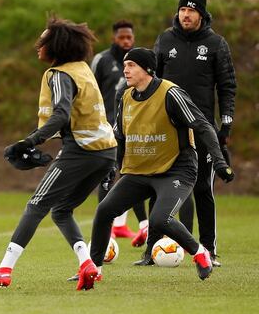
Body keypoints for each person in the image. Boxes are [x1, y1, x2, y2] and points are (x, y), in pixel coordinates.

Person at [0, 18, 117, 290]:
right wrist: (35, 140)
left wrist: (30, 141)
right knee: (61, 211)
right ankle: (88, 264)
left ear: (57, 47)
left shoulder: (59, 74)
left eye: (43, 42)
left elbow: (61, 115)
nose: (37, 46)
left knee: (35, 206)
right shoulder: (82, 69)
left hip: (82, 151)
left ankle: (4, 270)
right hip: (106, 152)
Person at [82, 48, 234, 290]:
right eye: (124, 65)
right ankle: (94, 270)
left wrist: (219, 161)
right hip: (139, 171)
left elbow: (203, 126)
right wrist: (114, 167)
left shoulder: (171, 93)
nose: (125, 69)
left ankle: (200, 252)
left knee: (160, 219)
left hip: (176, 170)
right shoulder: (124, 96)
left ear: (148, 69)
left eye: (131, 65)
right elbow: (119, 136)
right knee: (104, 211)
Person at [142, 0, 237, 267]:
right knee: (158, 186)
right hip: (168, 128)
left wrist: (226, 122)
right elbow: (151, 81)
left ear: (202, 15)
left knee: (201, 189)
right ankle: (152, 249)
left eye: (192, 10)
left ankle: (208, 251)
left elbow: (228, 87)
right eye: (183, 9)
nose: (186, 14)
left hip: (202, 128)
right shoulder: (165, 40)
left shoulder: (216, 44)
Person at [90, 20, 147, 241]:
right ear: (114, 38)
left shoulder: (138, 62)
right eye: (122, 37)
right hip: (106, 128)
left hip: (134, 127)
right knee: (110, 174)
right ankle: (107, 231)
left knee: (134, 173)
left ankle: (125, 226)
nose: (126, 41)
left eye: (129, 38)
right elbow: (90, 91)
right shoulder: (102, 60)